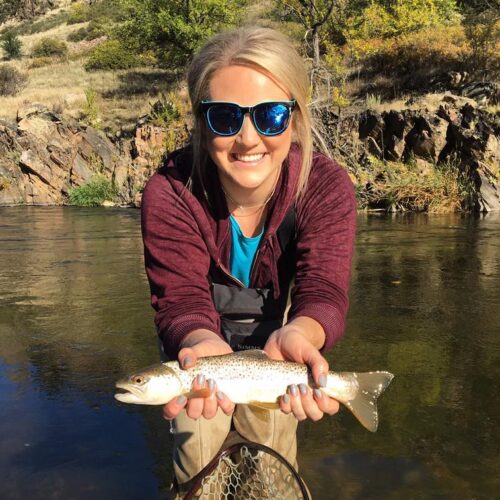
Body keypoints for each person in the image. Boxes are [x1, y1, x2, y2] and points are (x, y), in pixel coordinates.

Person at [141, 26, 356, 496]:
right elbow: (178, 301)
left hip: (278, 343)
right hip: (195, 349)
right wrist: (199, 345)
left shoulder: (326, 187)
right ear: (201, 123)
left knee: (271, 462)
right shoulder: (170, 192)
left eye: (271, 115)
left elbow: (324, 291)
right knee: (199, 450)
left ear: (295, 118)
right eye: (224, 116)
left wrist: (301, 334)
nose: (247, 137)